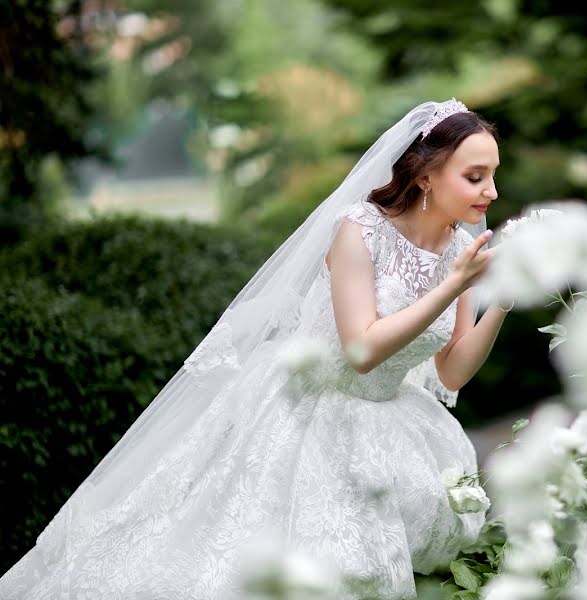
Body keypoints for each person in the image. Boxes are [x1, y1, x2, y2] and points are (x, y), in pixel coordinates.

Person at [0, 99, 510, 600]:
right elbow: (360, 350)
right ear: (425, 175)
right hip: (310, 411)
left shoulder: (459, 244)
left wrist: (502, 301)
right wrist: (454, 284)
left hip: (391, 420)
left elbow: (452, 372)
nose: (490, 191)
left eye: (492, 175)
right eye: (475, 176)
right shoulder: (362, 229)